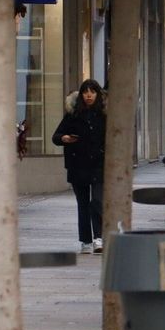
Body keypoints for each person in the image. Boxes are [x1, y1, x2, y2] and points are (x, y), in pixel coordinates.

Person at [53, 79, 107, 255]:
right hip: (78, 165)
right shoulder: (73, 114)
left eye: (92, 91)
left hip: (99, 164)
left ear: (98, 94)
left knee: (97, 201)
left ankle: (99, 238)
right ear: (81, 95)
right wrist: (65, 138)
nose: (89, 95)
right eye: (85, 92)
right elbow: (56, 136)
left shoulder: (104, 115)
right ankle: (85, 241)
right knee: (82, 204)